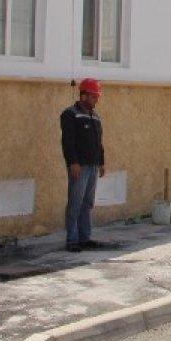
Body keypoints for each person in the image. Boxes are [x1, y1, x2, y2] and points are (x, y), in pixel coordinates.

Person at [61, 78, 106, 253]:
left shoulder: (95, 117)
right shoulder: (70, 114)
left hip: (93, 165)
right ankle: (72, 239)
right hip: (80, 166)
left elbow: (99, 142)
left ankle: (84, 237)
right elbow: (68, 142)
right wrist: (73, 162)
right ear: (84, 96)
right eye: (94, 97)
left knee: (87, 203)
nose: (97, 100)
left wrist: (101, 162)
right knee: (75, 203)